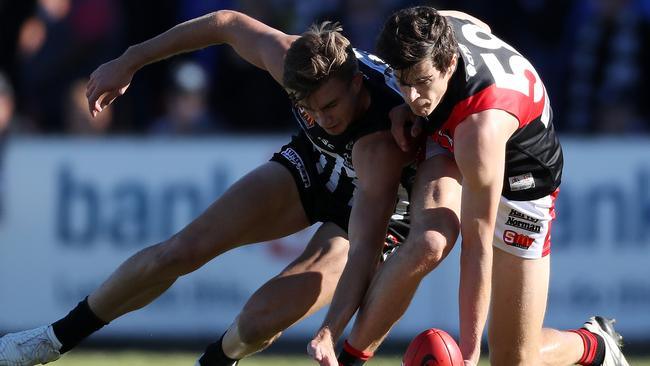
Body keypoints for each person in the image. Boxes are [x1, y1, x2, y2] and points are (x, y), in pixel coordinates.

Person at [0, 10, 414, 366]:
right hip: (319, 165)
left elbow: (363, 251)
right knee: (180, 250)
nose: (322, 119)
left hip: (377, 207)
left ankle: (216, 360)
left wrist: (329, 331)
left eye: (330, 106)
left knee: (257, 323)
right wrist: (130, 60)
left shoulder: (381, 142)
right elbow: (225, 23)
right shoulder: (289, 58)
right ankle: (51, 340)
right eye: (309, 108)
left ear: (357, 84)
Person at [307, 6, 629, 366]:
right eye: (403, 81)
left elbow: (477, 248)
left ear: (447, 64)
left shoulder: (479, 132)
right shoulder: (433, 29)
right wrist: (413, 103)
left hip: (523, 173)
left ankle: (595, 344)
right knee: (429, 240)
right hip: (456, 127)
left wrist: (470, 354)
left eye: (422, 81)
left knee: (513, 358)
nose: (412, 96)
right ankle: (350, 358)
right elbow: (479, 25)